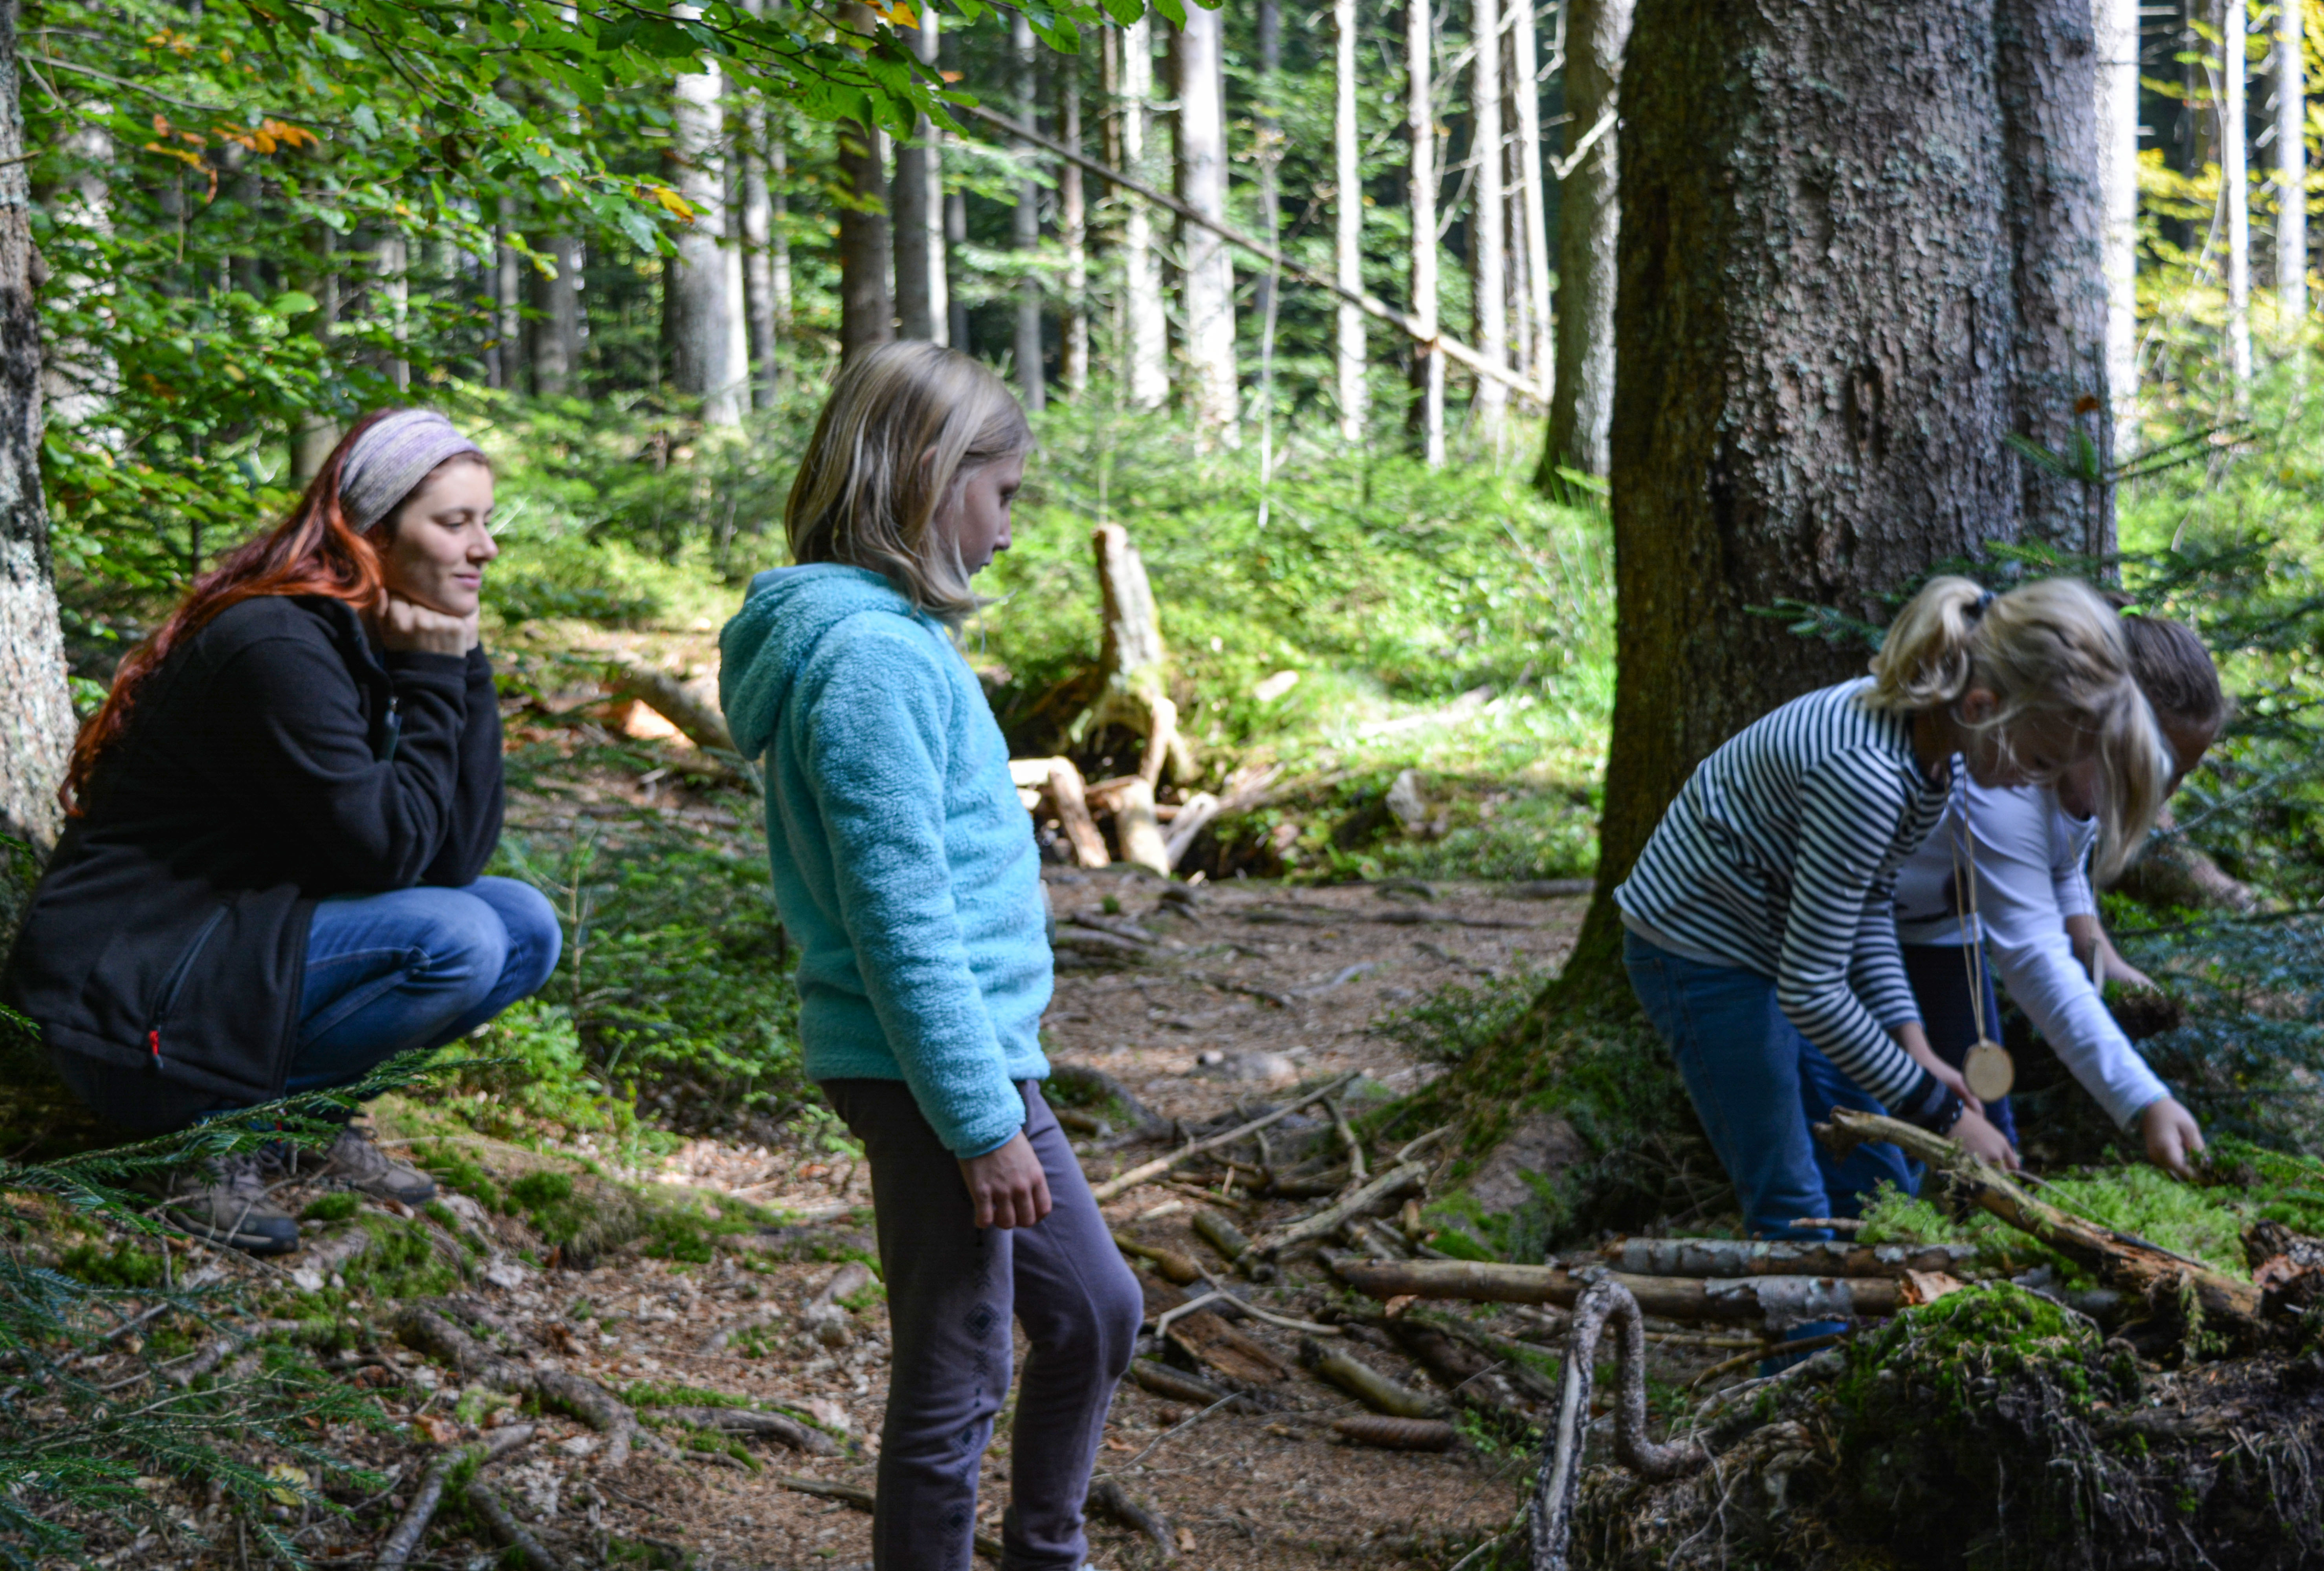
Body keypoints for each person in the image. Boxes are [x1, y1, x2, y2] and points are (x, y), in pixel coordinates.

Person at [719, 341, 1141, 1571]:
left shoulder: (891, 643)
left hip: (968, 1065)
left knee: (1096, 1313)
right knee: (956, 1371)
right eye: (1001, 495)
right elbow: (899, 917)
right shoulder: (869, 664)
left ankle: (1045, 1552)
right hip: (931, 1076)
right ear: (922, 476)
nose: (1010, 531)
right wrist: (977, 1122)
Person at [6, 409, 560, 1254]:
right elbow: (389, 853)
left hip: (242, 947)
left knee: (525, 926)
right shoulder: (275, 644)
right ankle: (209, 1135)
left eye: (486, 521)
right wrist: (439, 675)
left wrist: (458, 668)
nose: (485, 546)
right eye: (455, 522)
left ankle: (302, 1118)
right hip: (131, 987)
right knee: (460, 939)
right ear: (369, 530)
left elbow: (452, 856)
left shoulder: (383, 633)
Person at [1617, 576, 2174, 1260]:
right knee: (1793, 1197)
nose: (2037, 783)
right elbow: (1811, 990)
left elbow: (1869, 906)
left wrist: (1914, 1047)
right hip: (1702, 953)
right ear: (1983, 706)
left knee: (1876, 1180)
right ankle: (1809, 1355)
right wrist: (1940, 1114)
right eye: (2037, 761)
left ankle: (1868, 1334)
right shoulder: (1870, 774)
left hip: (1787, 951)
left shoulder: (1932, 759)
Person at [1893, 613, 2225, 1176]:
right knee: (1890, 1135)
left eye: (2180, 776)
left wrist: (2098, 949)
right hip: (1851, 938)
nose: (2163, 791)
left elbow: (2063, 856)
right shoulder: (2010, 783)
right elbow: (2032, 957)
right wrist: (2144, 1098)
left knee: (1990, 1142)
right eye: (2158, 765)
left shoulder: (2085, 773)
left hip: (1942, 938)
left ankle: (1970, 1247)